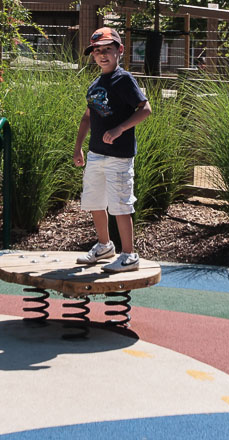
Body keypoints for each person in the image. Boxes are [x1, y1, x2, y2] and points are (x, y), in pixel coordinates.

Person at [73, 27, 152, 273]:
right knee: (94, 201)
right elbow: (87, 117)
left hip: (119, 156)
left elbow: (145, 109)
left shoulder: (123, 79)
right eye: (97, 51)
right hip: (95, 154)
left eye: (108, 49)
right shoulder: (95, 84)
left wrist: (120, 129)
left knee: (120, 205)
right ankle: (105, 246)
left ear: (120, 50)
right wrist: (78, 148)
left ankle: (129, 255)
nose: (102, 55)